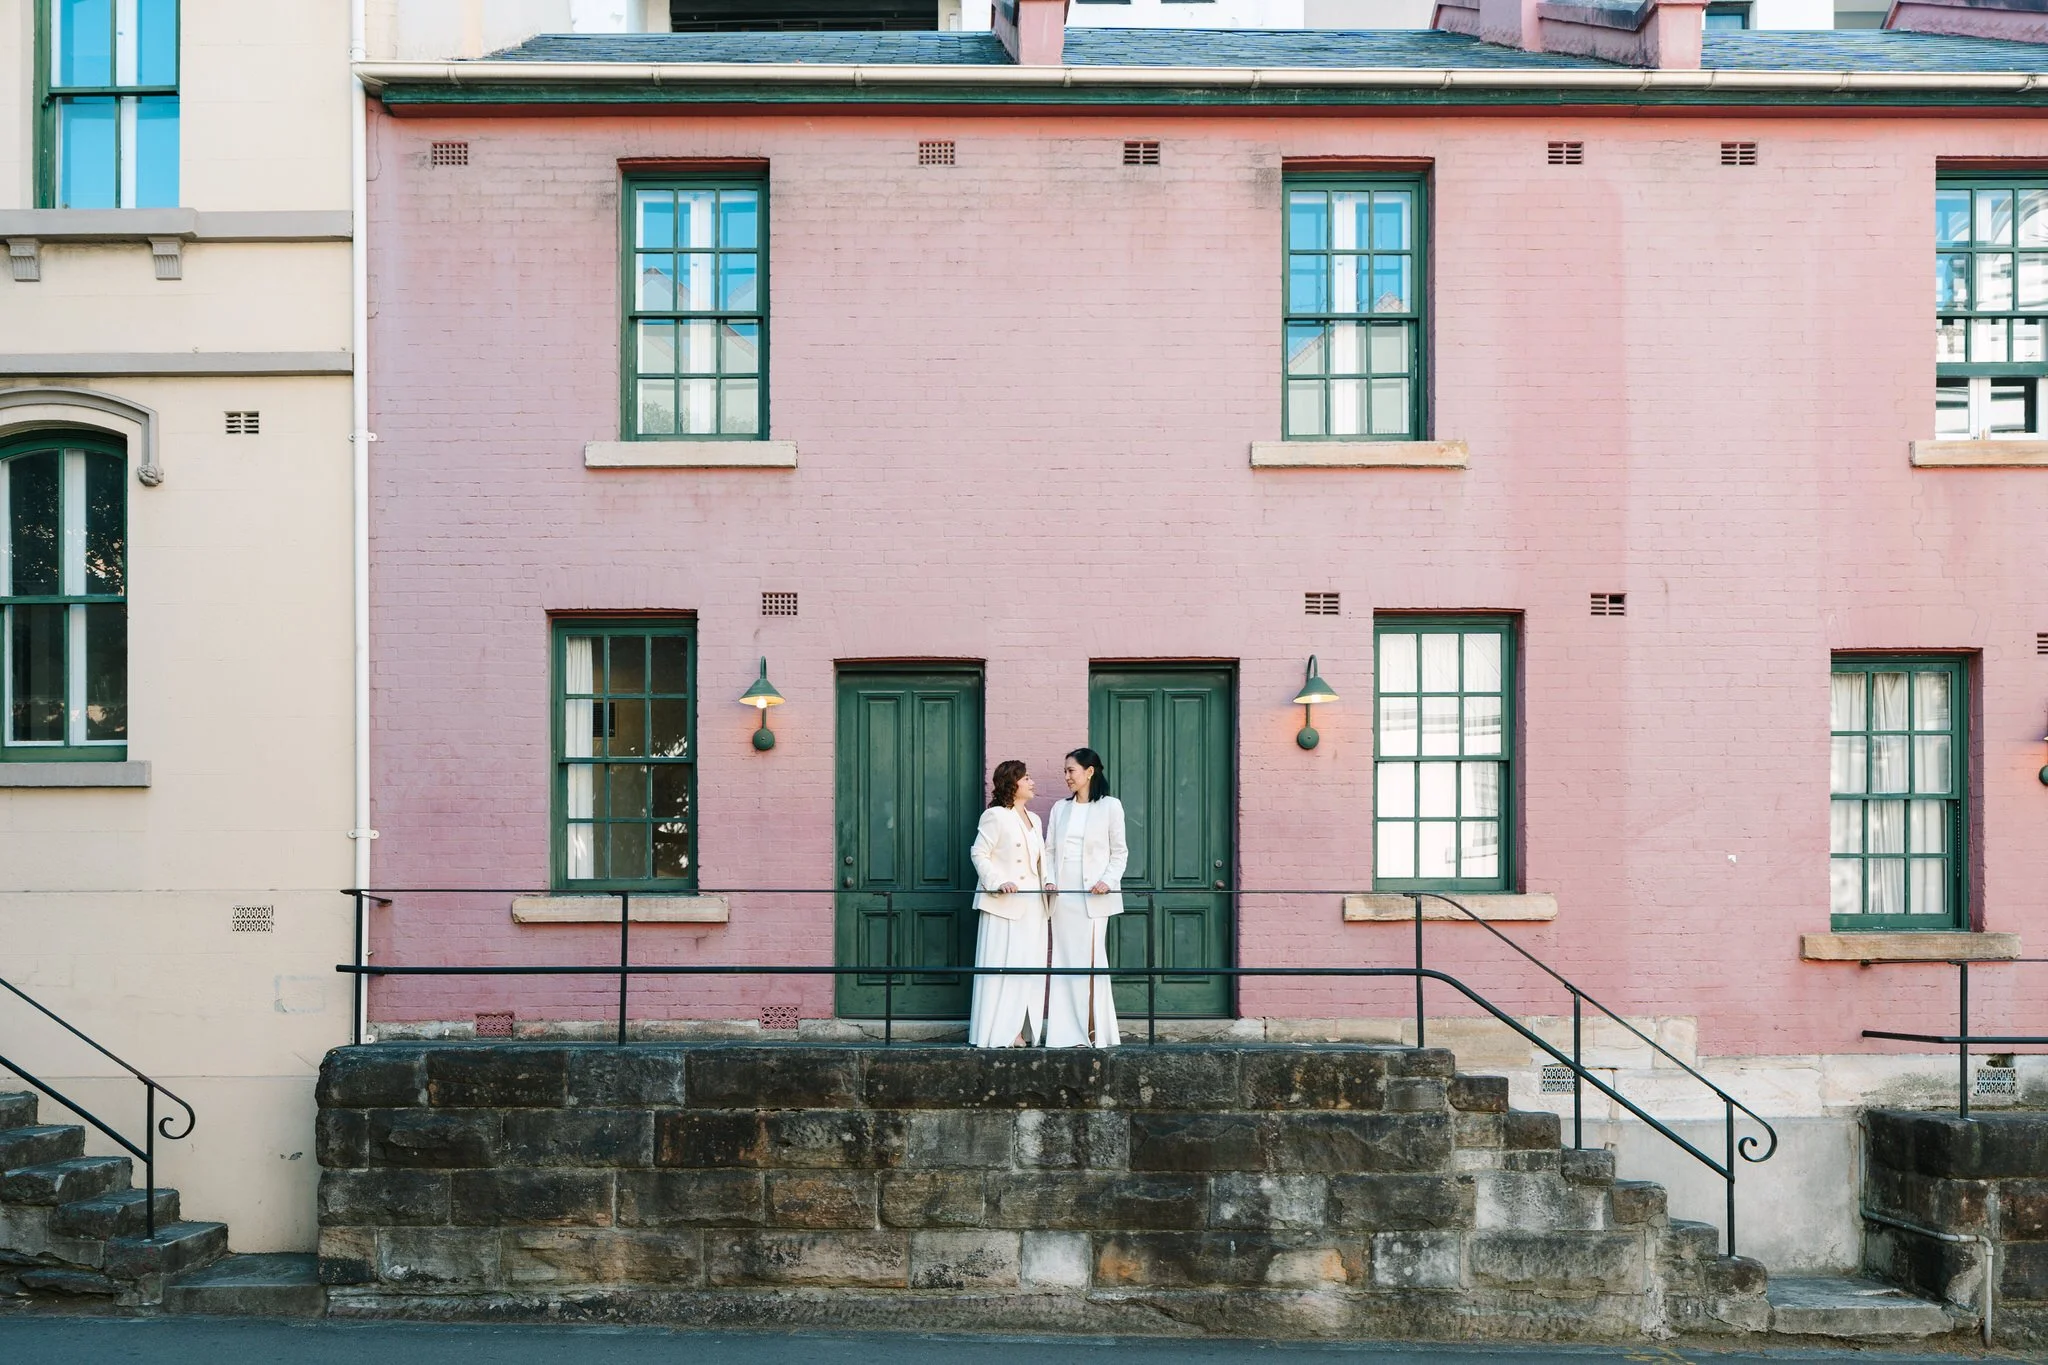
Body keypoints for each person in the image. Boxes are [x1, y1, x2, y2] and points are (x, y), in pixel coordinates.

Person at [1044, 747, 1126, 1047]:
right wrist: (1050, 881)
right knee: (1064, 961)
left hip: (1094, 895)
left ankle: (1095, 1032)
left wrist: (1108, 880)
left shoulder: (1110, 806)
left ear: (1089, 771)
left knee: (1091, 960)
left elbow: (1120, 852)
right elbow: (1049, 851)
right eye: (1065, 771)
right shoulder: (1059, 809)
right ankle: (1064, 1034)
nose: (1067, 777)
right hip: (1063, 896)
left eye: (1071, 771)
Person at [967, 759, 1048, 1048]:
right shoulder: (996, 816)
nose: (1031, 782)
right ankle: (1001, 1031)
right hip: (1005, 903)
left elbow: (1041, 860)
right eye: (1026, 778)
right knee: (1005, 966)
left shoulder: (1034, 819)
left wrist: (1048, 883)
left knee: (1028, 966)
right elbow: (979, 853)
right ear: (1012, 783)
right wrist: (997, 882)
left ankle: (1021, 1028)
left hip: (1034, 906)